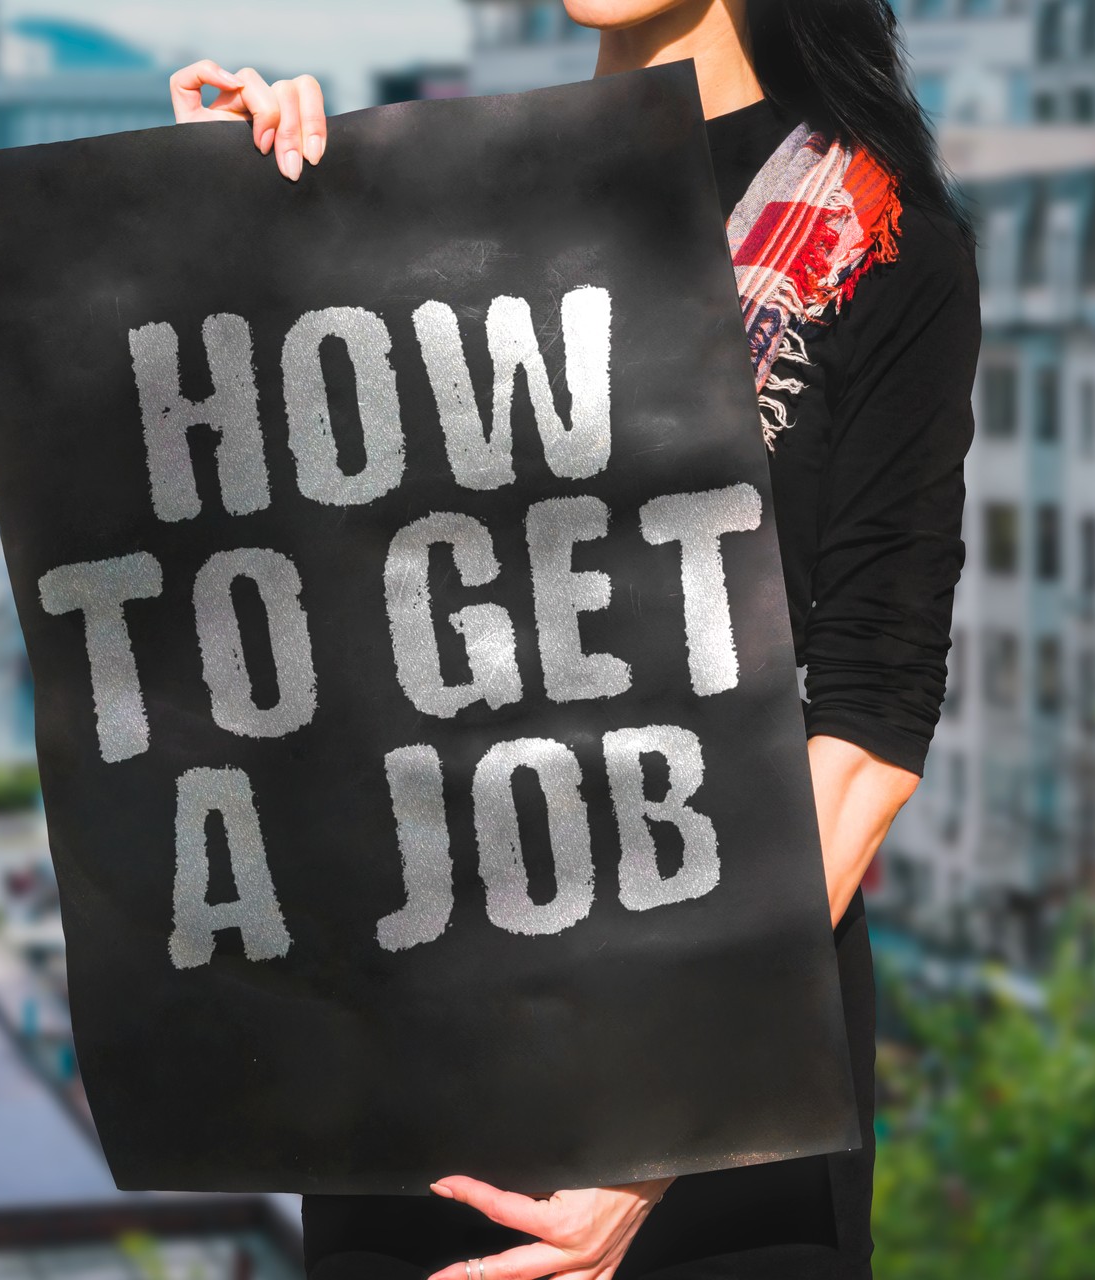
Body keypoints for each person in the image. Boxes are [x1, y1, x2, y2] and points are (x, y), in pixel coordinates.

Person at [168, 1, 978, 1276]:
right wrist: (217, 222)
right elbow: (283, 598)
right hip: (422, 1063)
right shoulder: (420, 202)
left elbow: (870, 725)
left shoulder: (873, 241)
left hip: (717, 1090)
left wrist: (651, 1142)